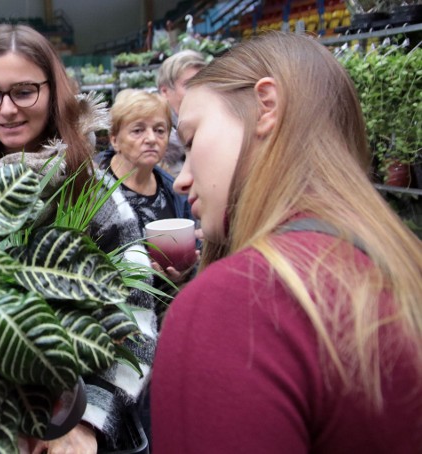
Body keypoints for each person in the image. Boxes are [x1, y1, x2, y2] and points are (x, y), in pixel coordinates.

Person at [152, 33, 422, 453]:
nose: (182, 177)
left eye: (189, 142)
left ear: (267, 107)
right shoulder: (396, 263)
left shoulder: (240, 301)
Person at [0, 23, 157, 453]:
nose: (6, 110)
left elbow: (139, 318)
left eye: (24, 91)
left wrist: (87, 420)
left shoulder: (90, 193)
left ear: (52, 91)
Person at [95, 89, 195, 289]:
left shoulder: (173, 190)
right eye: (138, 130)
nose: (151, 139)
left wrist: (182, 272)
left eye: (159, 130)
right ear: (114, 139)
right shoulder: (93, 189)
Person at [155, 50, 206, 177]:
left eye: (203, 82)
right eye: (189, 84)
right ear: (165, 91)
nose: (199, 90)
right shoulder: (153, 139)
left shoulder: (214, 123)